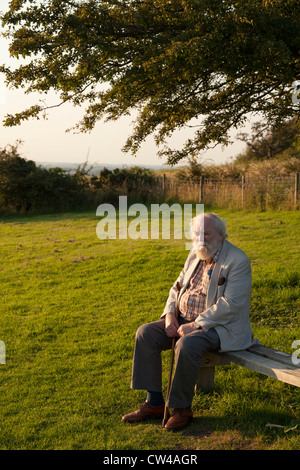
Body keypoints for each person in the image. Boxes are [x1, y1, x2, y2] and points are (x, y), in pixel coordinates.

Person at [122, 213, 259, 431]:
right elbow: (176, 288)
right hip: (183, 318)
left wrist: (195, 325)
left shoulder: (237, 260)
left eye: (206, 233)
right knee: (145, 333)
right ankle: (155, 403)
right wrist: (169, 315)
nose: (201, 239)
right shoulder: (194, 254)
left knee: (187, 344)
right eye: (197, 234)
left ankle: (181, 408)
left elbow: (232, 304)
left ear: (222, 235)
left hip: (219, 327)